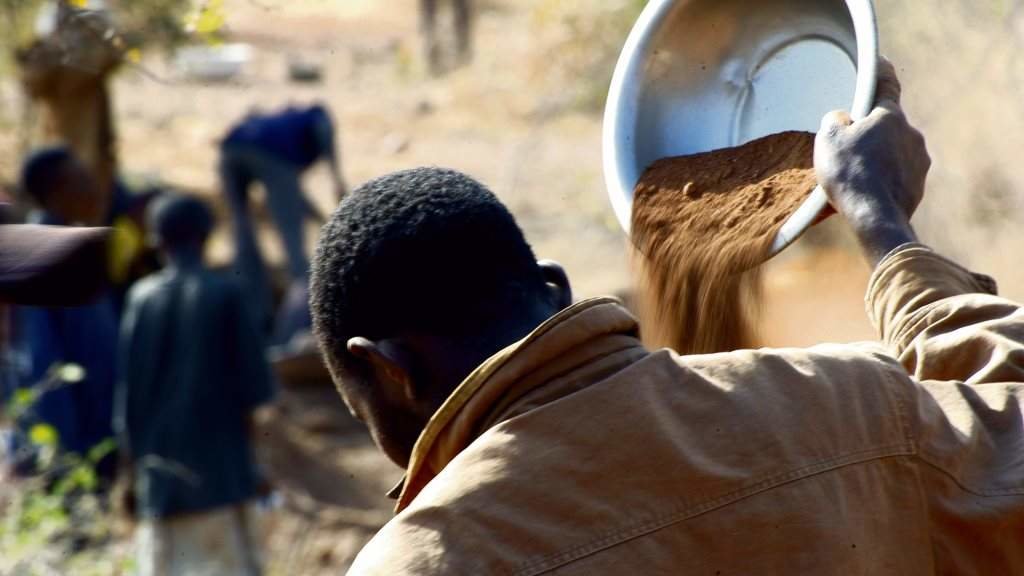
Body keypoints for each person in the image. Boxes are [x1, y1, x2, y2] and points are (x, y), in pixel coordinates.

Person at [309, 61, 1024, 574]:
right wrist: (883, 222)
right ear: (554, 291)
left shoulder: (423, 560)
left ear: (386, 369)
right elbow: (1006, 426)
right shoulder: (859, 403)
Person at [115, 194, 275, 576]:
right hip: (223, 484)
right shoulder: (226, 295)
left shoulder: (140, 299)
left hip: (161, 492)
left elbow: (128, 402)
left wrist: (131, 478)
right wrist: (256, 469)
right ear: (206, 237)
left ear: (157, 243)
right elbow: (255, 395)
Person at [12, 148, 119, 478]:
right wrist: (63, 456)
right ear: (58, 192)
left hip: (96, 437)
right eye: (84, 182)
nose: (96, 190)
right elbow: (42, 363)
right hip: (71, 451)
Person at [219, 103, 347, 342]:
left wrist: (321, 219)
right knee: (294, 246)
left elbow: (294, 196)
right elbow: (324, 131)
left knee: (242, 235)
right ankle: (304, 324)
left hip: (230, 148)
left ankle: (257, 317)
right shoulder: (317, 118)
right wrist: (336, 177)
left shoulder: (282, 122)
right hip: (269, 152)